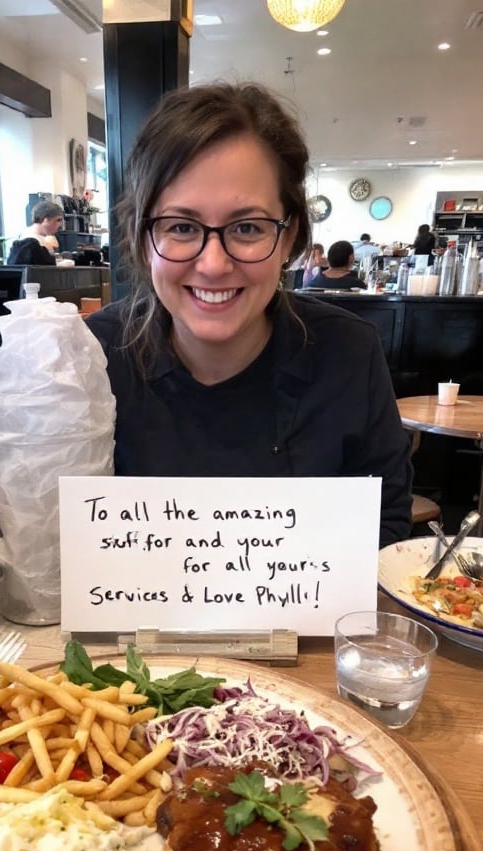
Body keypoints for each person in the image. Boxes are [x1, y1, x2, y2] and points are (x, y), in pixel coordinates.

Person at [85, 81, 412, 547]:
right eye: (180, 226)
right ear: (141, 238)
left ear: (289, 237)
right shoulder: (92, 358)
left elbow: (384, 530)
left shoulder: (348, 353)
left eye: (247, 228)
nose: (214, 264)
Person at [6, 200, 63, 265]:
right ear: (45, 220)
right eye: (58, 220)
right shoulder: (31, 242)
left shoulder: (24, 236)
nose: (60, 225)